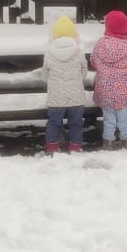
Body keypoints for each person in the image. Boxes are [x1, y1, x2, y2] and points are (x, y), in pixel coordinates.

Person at [90, 9, 127, 148]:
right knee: (125, 118)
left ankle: (108, 141)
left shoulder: (100, 44)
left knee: (108, 119)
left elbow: (93, 61)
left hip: (105, 90)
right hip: (123, 91)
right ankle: (126, 140)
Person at [42, 15, 87, 153]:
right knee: (76, 123)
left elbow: (44, 75)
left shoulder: (49, 53)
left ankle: (52, 146)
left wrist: (53, 83)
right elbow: (84, 72)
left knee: (54, 122)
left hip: (56, 97)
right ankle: (75, 147)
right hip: (76, 97)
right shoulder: (79, 52)